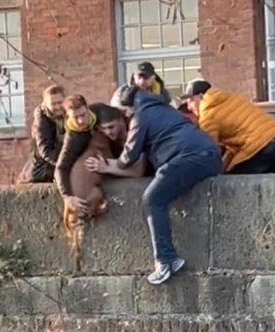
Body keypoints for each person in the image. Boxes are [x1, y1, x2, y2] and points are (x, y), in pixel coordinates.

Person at [89, 86, 222, 285]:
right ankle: (168, 259)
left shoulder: (140, 117)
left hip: (190, 157)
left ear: (126, 109)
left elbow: (128, 158)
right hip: (207, 155)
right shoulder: (160, 107)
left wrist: (105, 165)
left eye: (121, 113)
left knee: (153, 198)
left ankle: (165, 260)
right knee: (161, 188)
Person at [182, 79, 275, 174]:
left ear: (201, 97)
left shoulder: (208, 114)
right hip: (270, 137)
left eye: (191, 100)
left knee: (236, 179)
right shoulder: (229, 98)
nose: (189, 107)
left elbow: (209, 150)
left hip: (261, 146)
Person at [16, 85, 67, 184]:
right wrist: (64, 166)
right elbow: (46, 151)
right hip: (42, 171)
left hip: (58, 164)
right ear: (46, 104)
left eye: (60, 102)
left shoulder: (68, 116)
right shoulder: (42, 122)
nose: (57, 107)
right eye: (53, 104)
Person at [53, 94, 95, 212]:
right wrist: (67, 197)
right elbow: (60, 168)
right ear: (68, 116)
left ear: (87, 109)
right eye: (75, 117)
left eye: (83, 115)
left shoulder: (99, 113)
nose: (81, 121)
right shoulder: (72, 139)